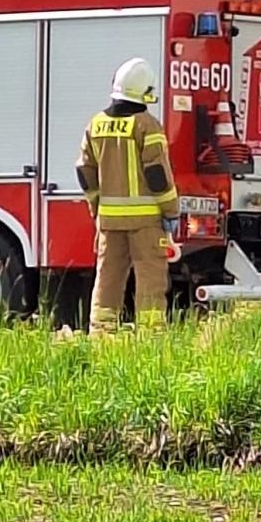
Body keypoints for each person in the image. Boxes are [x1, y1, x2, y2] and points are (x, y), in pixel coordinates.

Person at [76, 57, 179, 334]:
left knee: (107, 278)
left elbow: (84, 171)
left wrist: (96, 206)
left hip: (110, 222)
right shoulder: (146, 125)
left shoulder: (95, 124)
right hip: (146, 222)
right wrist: (171, 211)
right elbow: (157, 174)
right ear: (144, 90)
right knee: (150, 279)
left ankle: (101, 334)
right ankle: (150, 338)